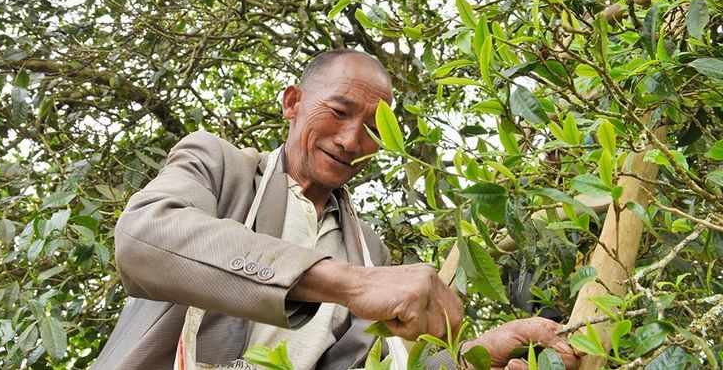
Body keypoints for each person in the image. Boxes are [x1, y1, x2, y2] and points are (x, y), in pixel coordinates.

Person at [93, 49, 579, 369]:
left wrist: (479, 354)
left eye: (372, 128)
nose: (351, 140)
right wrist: (354, 284)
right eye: (339, 111)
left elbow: (367, 364)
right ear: (292, 102)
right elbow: (144, 238)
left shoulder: (368, 249)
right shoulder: (218, 166)